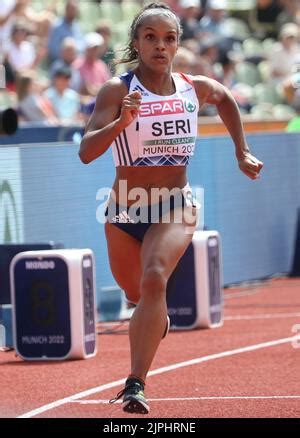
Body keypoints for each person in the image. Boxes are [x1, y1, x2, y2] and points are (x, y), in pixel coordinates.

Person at [79, 2, 263, 415]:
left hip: (174, 206)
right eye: (151, 37)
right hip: (126, 211)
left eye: (169, 38)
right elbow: (86, 153)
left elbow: (225, 97)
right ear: (137, 43)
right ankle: (153, 317)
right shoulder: (117, 91)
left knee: (155, 278)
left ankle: (135, 385)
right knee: (135, 292)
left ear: (177, 43)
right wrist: (120, 124)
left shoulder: (192, 86)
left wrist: (242, 151)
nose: (160, 46)